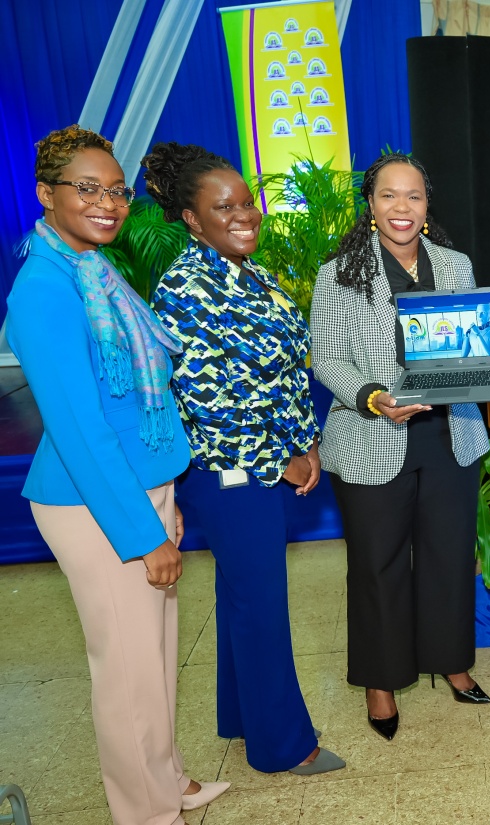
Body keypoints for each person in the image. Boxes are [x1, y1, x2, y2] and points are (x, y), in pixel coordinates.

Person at [5, 125, 228, 824]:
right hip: (94, 504)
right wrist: (142, 532)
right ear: (46, 195)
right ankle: (145, 813)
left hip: (137, 486)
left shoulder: (94, 271)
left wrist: (164, 495)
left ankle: (167, 781)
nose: (108, 203)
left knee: (154, 657)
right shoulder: (44, 291)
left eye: (117, 190)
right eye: (87, 189)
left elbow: (138, 399)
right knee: (127, 671)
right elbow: (80, 430)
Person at [145, 142, 343, 776]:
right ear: (191, 219)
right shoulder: (185, 288)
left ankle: (241, 716)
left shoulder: (249, 271)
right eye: (224, 208)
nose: (244, 215)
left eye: (247, 203)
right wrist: (279, 461)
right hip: (230, 472)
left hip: (269, 460)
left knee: (242, 595)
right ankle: (284, 746)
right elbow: (207, 402)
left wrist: (307, 443)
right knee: (262, 604)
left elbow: (285, 372)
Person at [309, 153, 490, 742]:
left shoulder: (456, 265)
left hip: (450, 435)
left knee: (448, 556)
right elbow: (327, 358)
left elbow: (475, 343)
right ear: (370, 204)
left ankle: (452, 661)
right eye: (389, 195)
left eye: (413, 196)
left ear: (427, 204)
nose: (402, 208)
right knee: (377, 565)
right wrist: (372, 397)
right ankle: (381, 682)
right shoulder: (339, 273)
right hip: (372, 435)